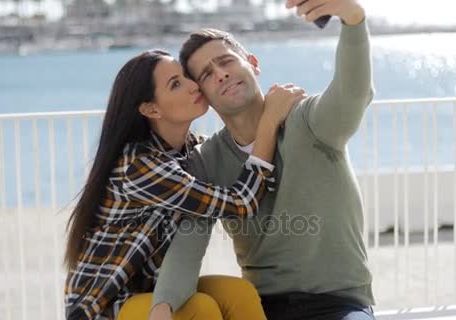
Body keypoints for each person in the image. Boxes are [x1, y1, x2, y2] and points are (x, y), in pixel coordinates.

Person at [150, 0, 375, 319]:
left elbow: (352, 94)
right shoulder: (206, 162)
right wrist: (163, 307)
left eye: (226, 61)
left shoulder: (308, 120)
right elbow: (188, 244)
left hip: (339, 303)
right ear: (202, 94)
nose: (221, 74)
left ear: (252, 63)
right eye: (207, 74)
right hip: (261, 308)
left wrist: (354, 19)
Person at [63, 49, 306, 320]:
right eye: (176, 84)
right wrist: (269, 123)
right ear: (151, 109)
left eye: (187, 77)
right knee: (199, 309)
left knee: (239, 293)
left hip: (156, 289)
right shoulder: (138, 166)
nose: (194, 86)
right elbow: (241, 203)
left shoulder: (192, 151)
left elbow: (238, 167)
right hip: (107, 306)